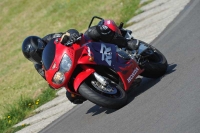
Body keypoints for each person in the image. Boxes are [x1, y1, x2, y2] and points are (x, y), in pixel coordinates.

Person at [21, 19, 140, 104]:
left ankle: (127, 43)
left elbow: (66, 34)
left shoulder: (49, 39)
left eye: (38, 52)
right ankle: (102, 92)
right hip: (68, 67)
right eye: (34, 57)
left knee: (95, 31)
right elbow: (48, 78)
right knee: (72, 96)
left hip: (79, 49)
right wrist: (53, 82)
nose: (38, 56)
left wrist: (71, 35)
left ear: (41, 44)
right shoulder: (38, 66)